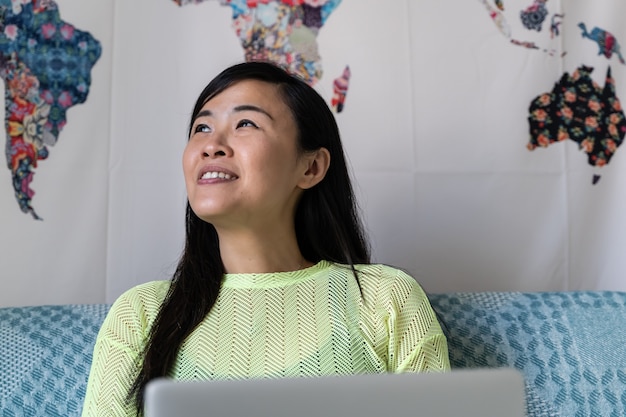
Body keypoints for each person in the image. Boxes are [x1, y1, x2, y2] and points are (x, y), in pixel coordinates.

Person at [81, 61, 450, 417]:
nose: (212, 146)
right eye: (201, 129)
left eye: (245, 123)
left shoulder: (385, 297)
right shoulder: (141, 313)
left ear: (311, 167)